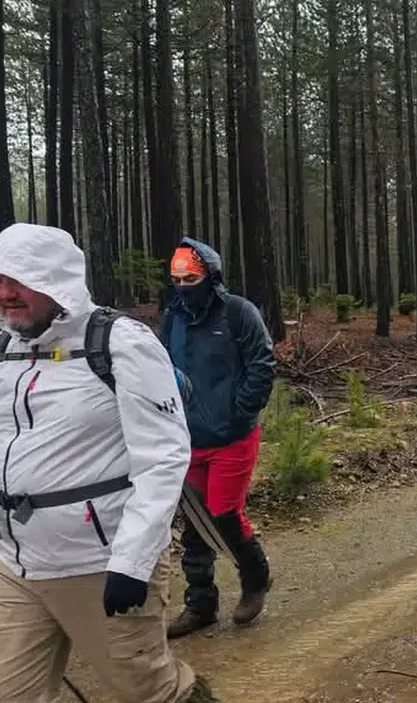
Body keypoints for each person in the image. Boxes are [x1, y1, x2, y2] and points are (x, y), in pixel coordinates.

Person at [0, 224, 211, 702]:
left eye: (19, 280)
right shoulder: (2, 351)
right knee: (1, 697)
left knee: (151, 692)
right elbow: (0, 445)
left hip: (100, 561)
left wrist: (132, 562)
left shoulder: (122, 343)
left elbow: (163, 458)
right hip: (18, 564)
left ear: (54, 280)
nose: (5, 293)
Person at [160, 238, 276, 638]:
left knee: (224, 511)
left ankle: (255, 577)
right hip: (188, 437)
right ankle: (200, 604)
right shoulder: (172, 318)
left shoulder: (239, 313)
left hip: (232, 436)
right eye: (176, 279)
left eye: (190, 279)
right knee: (195, 520)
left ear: (210, 275)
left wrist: (240, 410)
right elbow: (161, 367)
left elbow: (261, 363)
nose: (182, 286)